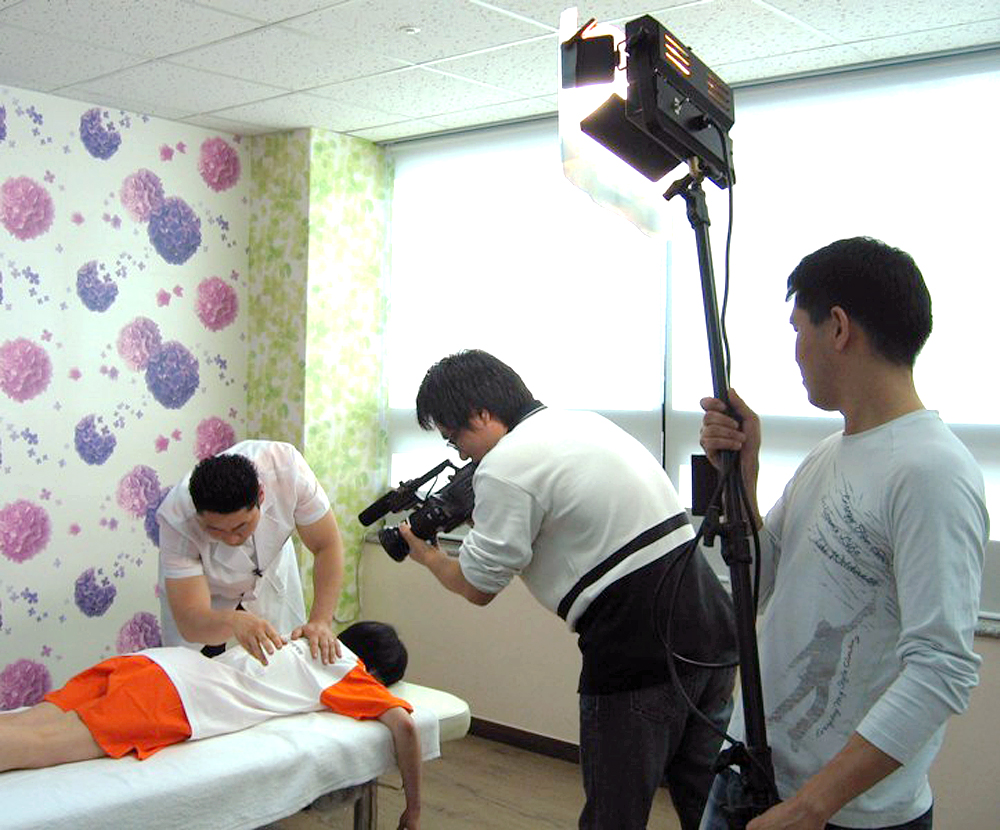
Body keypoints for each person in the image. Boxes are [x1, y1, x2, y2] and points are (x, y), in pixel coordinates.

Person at [697, 237, 988, 829]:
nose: (795, 353)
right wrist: (743, 480)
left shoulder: (932, 472)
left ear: (837, 327)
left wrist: (812, 805)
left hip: (839, 814)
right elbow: (760, 584)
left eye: (796, 329)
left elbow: (941, 669)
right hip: (752, 771)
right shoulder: (829, 454)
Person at [398, 349, 738, 830]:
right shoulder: (582, 423)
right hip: (712, 627)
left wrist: (428, 556)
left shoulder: (505, 465)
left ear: (481, 413)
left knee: (614, 815)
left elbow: (477, 586)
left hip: (638, 645)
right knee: (708, 805)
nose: (462, 455)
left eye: (456, 438)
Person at [0, 622, 422, 830]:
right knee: (39, 745)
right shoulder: (348, 673)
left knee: (30, 723)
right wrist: (414, 807)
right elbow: (404, 726)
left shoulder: (301, 638)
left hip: (154, 662)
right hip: (174, 698)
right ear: (376, 674)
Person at [157, 439, 345, 665]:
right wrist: (232, 620)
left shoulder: (287, 469)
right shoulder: (176, 519)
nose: (231, 539)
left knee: (281, 663)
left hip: (268, 579)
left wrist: (321, 621)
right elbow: (191, 620)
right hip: (208, 598)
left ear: (261, 496)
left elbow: (326, 545)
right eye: (215, 530)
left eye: (240, 527)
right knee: (201, 670)